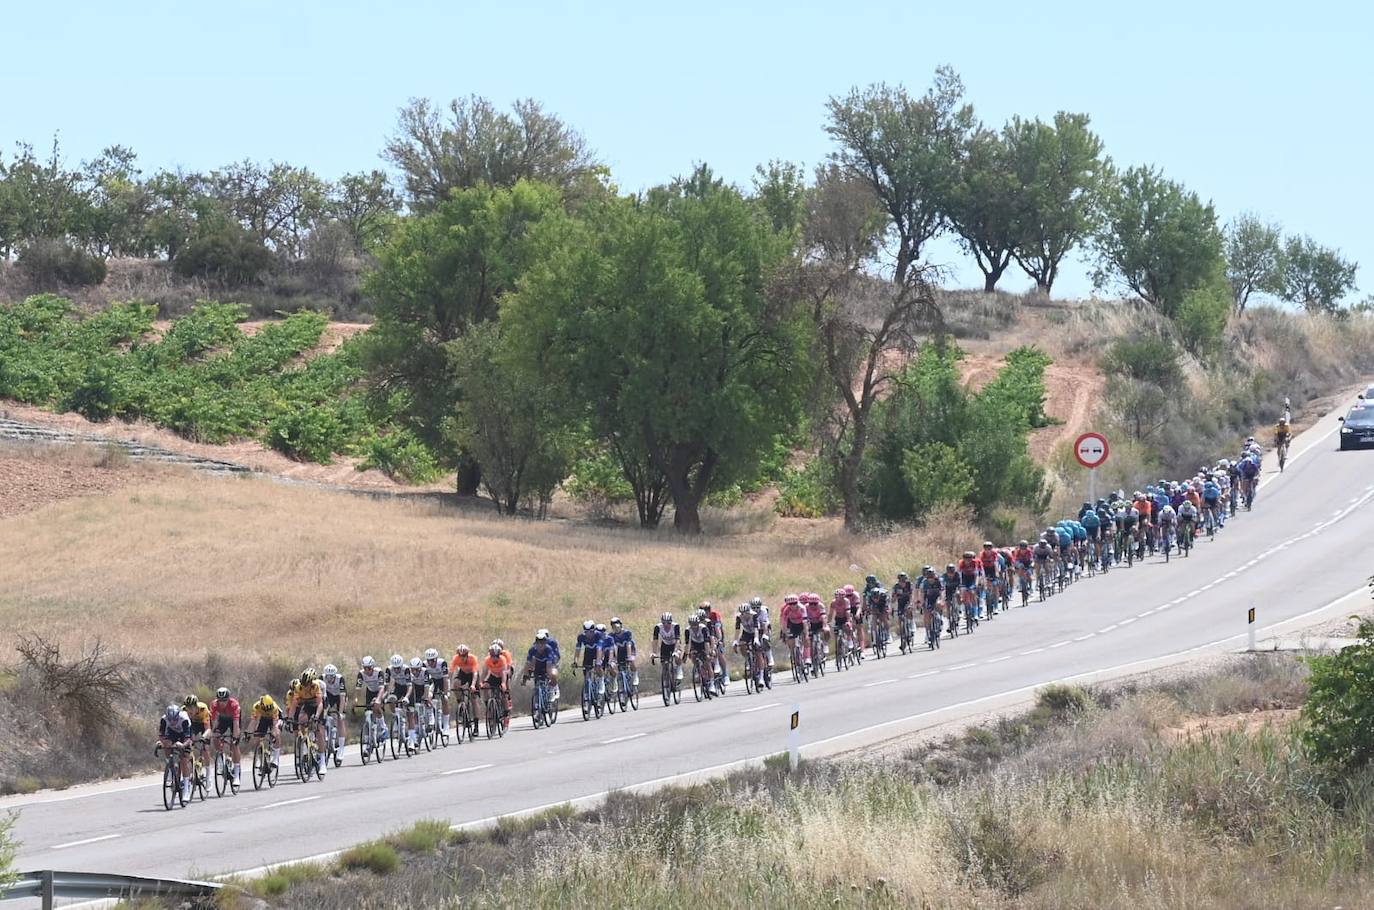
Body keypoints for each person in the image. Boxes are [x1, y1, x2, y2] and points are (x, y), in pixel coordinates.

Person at [287, 669, 327, 777]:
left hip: (317, 706)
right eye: (303, 684)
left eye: (307, 684)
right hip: (307, 704)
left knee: (318, 729)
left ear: (311, 683)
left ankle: (322, 761)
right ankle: (305, 744)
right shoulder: (298, 687)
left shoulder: (316, 686)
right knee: (301, 720)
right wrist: (290, 718)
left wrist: (317, 716)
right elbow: (294, 705)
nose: (305, 687)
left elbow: (320, 704)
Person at [159, 703, 193, 802]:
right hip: (172, 732)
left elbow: (188, 739)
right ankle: (170, 767)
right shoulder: (164, 719)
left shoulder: (184, 719)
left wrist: (183, 745)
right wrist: (161, 742)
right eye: (170, 719)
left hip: (184, 735)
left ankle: (186, 788)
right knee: (167, 744)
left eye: (174, 719)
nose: (172, 721)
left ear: (178, 715)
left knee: (184, 759)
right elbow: (161, 735)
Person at [210, 686, 242, 783]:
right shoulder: (214, 705)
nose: (222, 703)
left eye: (224, 701)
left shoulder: (234, 704)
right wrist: (213, 733)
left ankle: (236, 774)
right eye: (220, 701)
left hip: (233, 721)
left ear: (228, 699)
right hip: (223, 720)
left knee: (235, 745)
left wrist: (235, 737)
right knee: (215, 738)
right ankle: (220, 758)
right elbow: (213, 720)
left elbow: (236, 724)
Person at [521, 629, 562, 701]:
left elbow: (549, 665)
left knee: (552, 673)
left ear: (545, 643)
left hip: (548, 663)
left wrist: (550, 676)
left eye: (542, 643)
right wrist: (525, 676)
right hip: (538, 665)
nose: (540, 645)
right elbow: (528, 664)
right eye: (538, 643)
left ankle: (553, 688)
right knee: (537, 681)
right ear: (535, 643)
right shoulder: (532, 650)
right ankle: (538, 701)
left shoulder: (549, 649)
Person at [248, 694, 282, 774]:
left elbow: (274, 724)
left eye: (268, 708)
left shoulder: (274, 707)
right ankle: (262, 762)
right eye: (265, 709)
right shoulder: (256, 706)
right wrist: (248, 732)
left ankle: (275, 758)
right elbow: (253, 721)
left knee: (276, 734)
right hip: (264, 719)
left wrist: (273, 734)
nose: (267, 710)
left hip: (275, 719)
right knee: (256, 740)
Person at [183, 695, 212, 782]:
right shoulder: (183, 711)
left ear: (196, 706)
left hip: (203, 724)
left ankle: (208, 774)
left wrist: (203, 737)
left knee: (205, 748)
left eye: (192, 708)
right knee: (188, 745)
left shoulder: (203, 709)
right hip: (192, 724)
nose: (189, 710)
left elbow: (208, 729)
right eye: (188, 708)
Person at [321, 664, 347, 755]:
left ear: (335, 675)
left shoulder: (340, 679)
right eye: (327, 676)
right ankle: (326, 735)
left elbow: (343, 698)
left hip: (339, 696)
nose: (329, 679)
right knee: (323, 715)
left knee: (341, 719)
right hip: (329, 695)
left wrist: (340, 713)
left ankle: (341, 748)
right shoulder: (321, 678)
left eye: (331, 677)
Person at [422, 648, 450, 735]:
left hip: (442, 681)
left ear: (436, 659)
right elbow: (424, 681)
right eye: (428, 660)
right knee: (428, 697)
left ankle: (446, 726)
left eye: (432, 660)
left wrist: (445, 693)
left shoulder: (442, 663)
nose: (430, 663)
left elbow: (445, 679)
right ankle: (432, 718)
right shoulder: (424, 664)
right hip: (432, 681)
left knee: (445, 700)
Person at [480, 643, 509, 725]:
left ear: (499, 655)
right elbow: (484, 672)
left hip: (501, 676)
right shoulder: (487, 660)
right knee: (485, 688)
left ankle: (506, 711)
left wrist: (503, 683)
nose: (494, 658)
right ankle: (488, 706)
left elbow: (503, 673)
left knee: (503, 693)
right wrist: (481, 682)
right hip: (493, 676)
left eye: (496, 656)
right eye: (492, 656)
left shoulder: (502, 659)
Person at [651, 613, 682, 682]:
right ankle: (667, 683)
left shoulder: (675, 626)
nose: (666, 625)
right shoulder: (657, 627)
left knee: (677, 656)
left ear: (671, 621)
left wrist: (676, 651)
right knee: (664, 664)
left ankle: (679, 670)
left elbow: (677, 640)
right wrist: (654, 652)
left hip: (674, 644)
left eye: (668, 623)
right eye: (664, 623)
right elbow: (655, 641)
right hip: (665, 645)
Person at [609, 617, 637, 688]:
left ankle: (635, 675)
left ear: (621, 626)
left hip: (629, 649)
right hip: (619, 652)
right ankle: (616, 681)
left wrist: (629, 657)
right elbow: (612, 649)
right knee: (614, 666)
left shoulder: (627, 633)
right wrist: (612, 660)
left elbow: (629, 645)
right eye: (614, 627)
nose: (616, 628)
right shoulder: (611, 636)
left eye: (617, 626)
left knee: (632, 661)